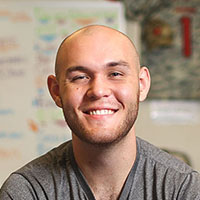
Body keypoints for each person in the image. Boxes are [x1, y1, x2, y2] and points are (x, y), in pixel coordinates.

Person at [0, 25, 200, 200]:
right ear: (56, 91)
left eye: (115, 74)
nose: (98, 90)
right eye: (80, 77)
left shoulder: (183, 189)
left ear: (142, 85)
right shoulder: (28, 192)